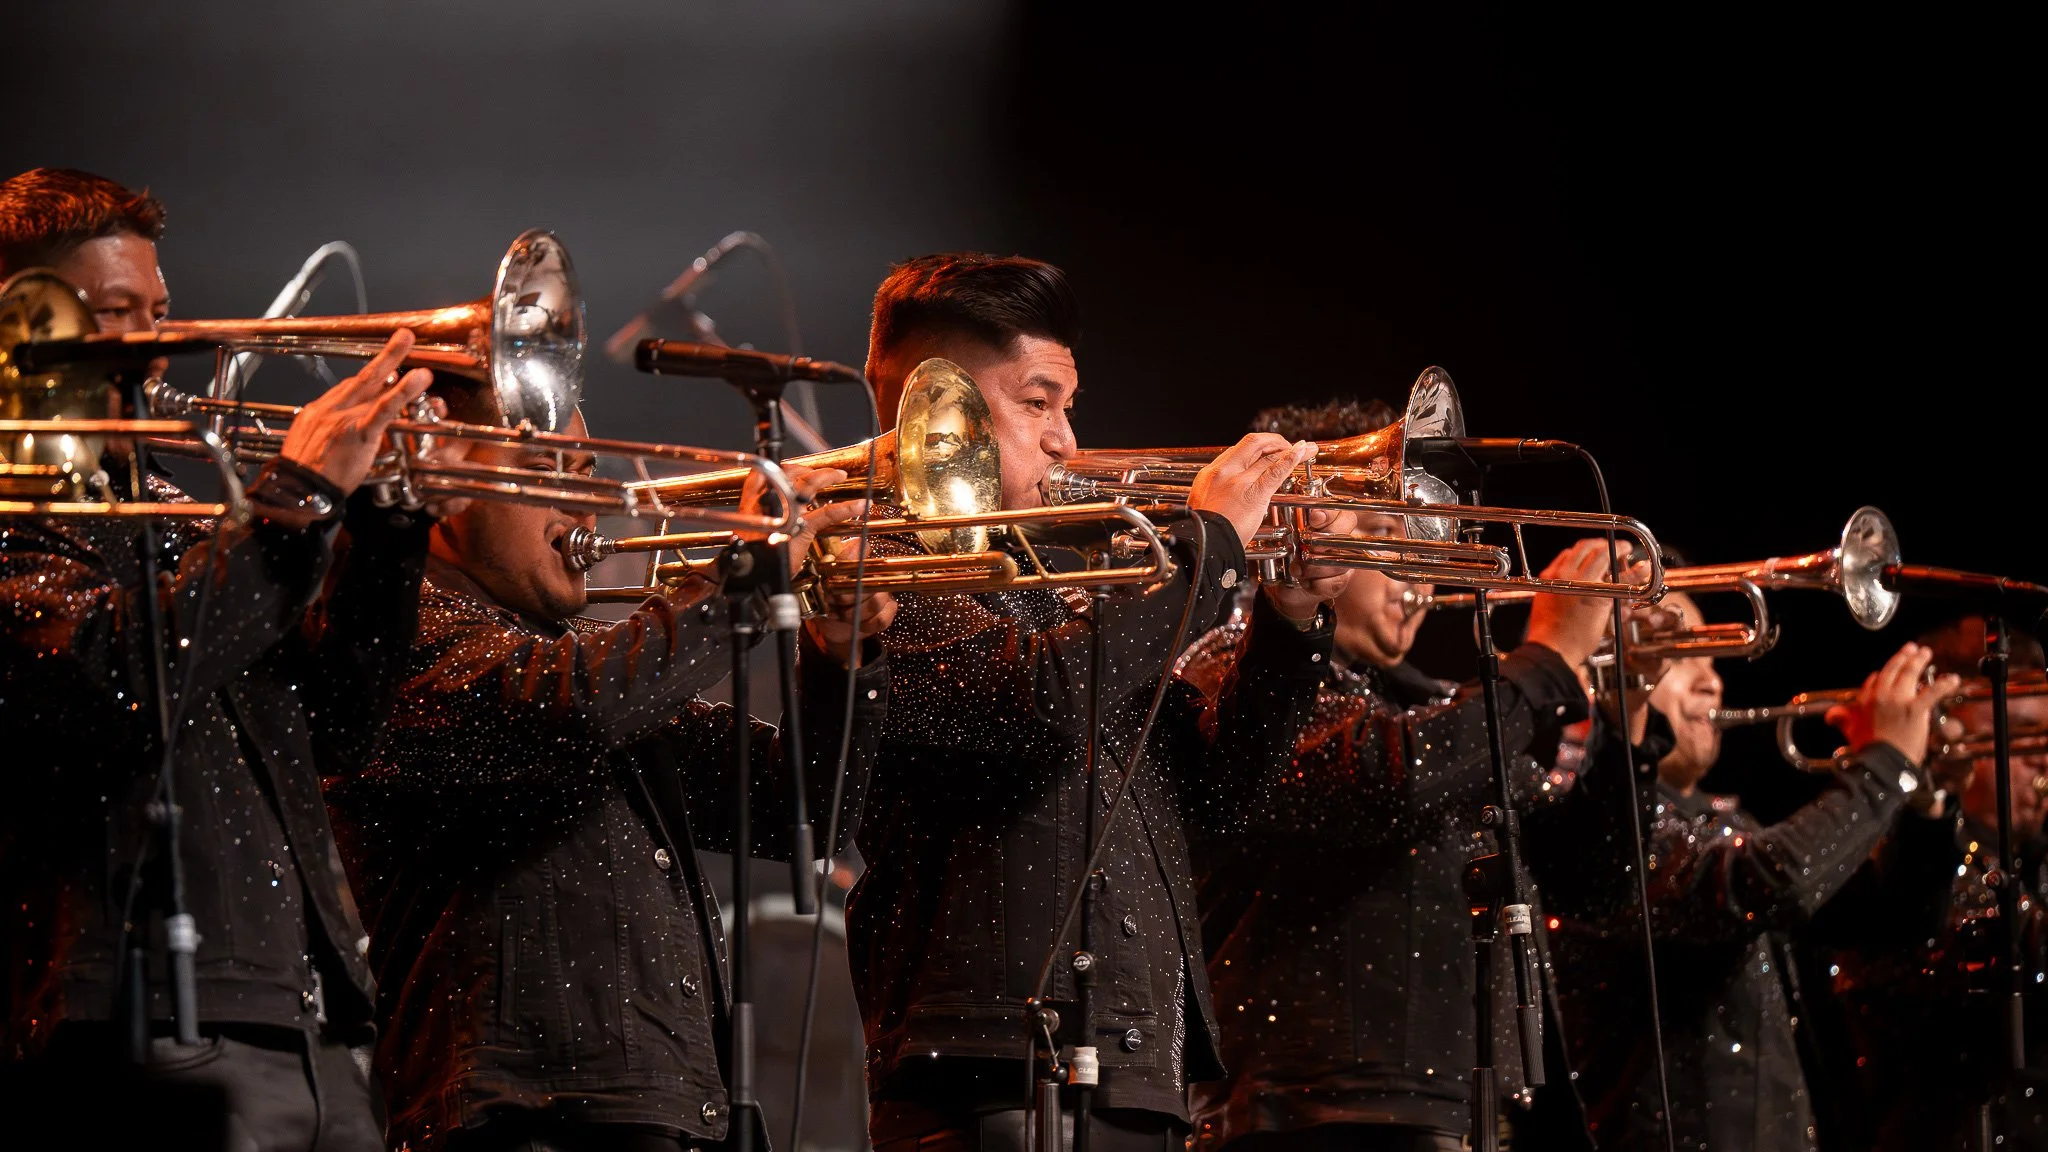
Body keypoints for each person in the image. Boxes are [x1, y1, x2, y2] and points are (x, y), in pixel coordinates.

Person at [847, 253, 1352, 1152]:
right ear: (934, 406)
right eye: (1036, 402)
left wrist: (1289, 616)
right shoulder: (879, 572)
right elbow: (1029, 699)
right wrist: (1211, 550)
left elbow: (1216, 793)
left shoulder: (1067, 587)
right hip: (985, 1061)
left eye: (1066, 406)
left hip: (1133, 1056)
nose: (1067, 441)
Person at [1, 167, 455, 1150]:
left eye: (157, 309)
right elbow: (108, 674)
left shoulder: (187, 508)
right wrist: (294, 495)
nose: (157, 340)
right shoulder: (16, 510)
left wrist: (386, 519)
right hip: (131, 1002)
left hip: (306, 1008)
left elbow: (339, 725)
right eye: (115, 312)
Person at [321, 392, 898, 1152]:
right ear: (447, 484)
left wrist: (837, 655)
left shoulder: (583, 666)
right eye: (546, 471)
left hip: (660, 1111)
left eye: (589, 475)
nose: (587, 508)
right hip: (522, 1120)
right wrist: (746, 572)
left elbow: (805, 811)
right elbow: (575, 706)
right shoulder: (390, 639)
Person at [1179, 397, 1627, 1152]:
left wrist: (1621, 718)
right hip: (1310, 1112)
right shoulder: (1235, 664)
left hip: (1464, 1109)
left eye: (1428, 537)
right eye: (1389, 535)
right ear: (1301, 522)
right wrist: (1546, 661)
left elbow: (1598, 878)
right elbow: (1387, 778)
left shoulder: (1442, 707)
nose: (1420, 570)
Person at [1543, 589, 1959, 1152]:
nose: (1711, 680)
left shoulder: (1725, 818)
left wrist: (1921, 801)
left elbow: (1888, 924)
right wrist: (1884, 766)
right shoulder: (1596, 827)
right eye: (1680, 655)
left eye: (1711, 661)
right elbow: (1769, 883)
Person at [1812, 617, 2048, 1151]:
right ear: (1949, 731)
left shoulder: (2031, 860)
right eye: (2023, 735)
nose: (2041, 757)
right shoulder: (1903, 858)